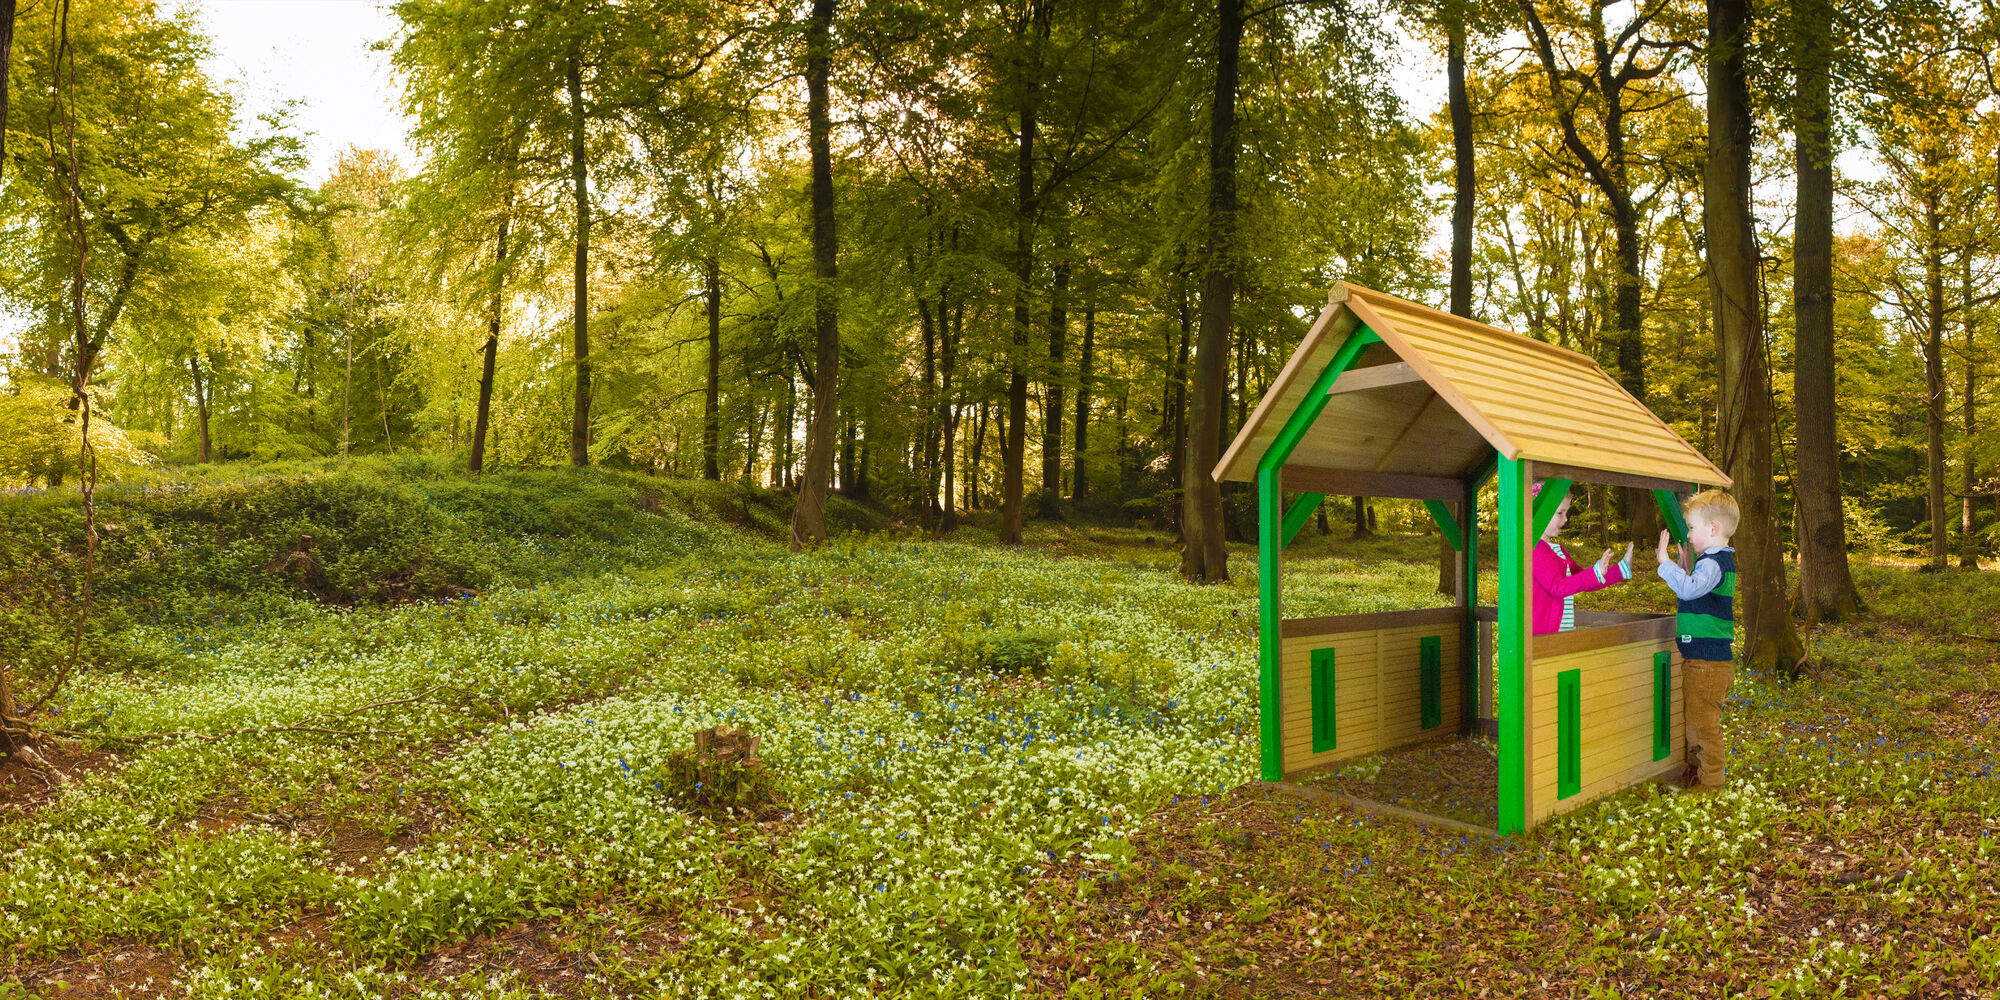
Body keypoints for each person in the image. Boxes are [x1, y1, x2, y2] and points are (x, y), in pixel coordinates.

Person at [1656, 489, 1739, 790]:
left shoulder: (1714, 562)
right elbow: (1696, 590)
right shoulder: (1712, 563)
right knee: (1695, 723)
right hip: (1702, 661)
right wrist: (1683, 568)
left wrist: (1665, 563)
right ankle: (1695, 776)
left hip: (1707, 663)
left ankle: (1711, 785)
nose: (1688, 535)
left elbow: (1689, 591)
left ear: (1713, 528)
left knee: (1703, 728)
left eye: (1692, 528)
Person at [1531, 481, 1635, 636]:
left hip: (1560, 636)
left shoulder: (1558, 551)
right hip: (1540, 639)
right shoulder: (1534, 549)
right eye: (1560, 513)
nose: (1565, 519)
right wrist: (1596, 572)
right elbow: (1558, 588)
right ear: (1540, 510)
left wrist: (1621, 568)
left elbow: (1586, 580)